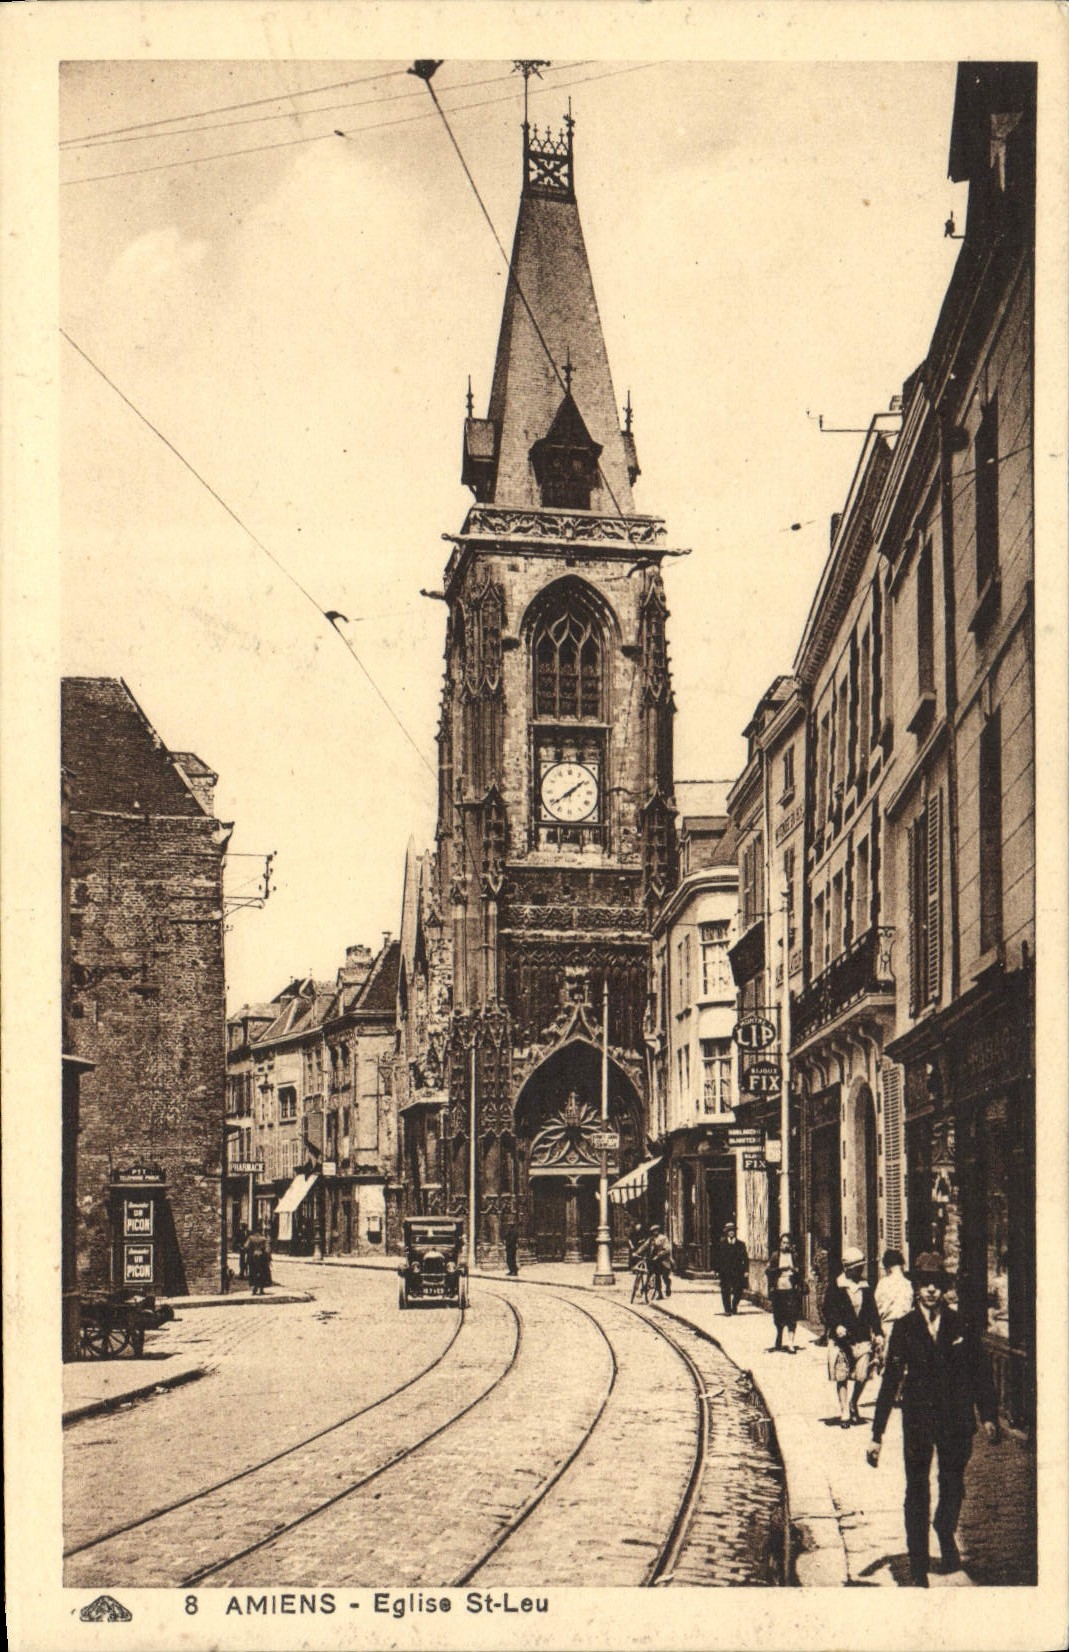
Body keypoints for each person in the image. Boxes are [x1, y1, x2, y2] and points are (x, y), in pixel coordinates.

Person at [867, 1252, 999, 1587]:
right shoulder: (906, 1328)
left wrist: (988, 1415)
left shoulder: (960, 1325)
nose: (929, 1291)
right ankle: (917, 1562)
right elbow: (890, 1380)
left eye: (935, 1285)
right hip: (919, 1419)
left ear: (943, 1289)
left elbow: (980, 1371)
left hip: (956, 1419)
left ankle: (943, 1525)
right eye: (924, 1284)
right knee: (917, 1488)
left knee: (953, 1482)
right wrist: (876, 1434)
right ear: (916, 1288)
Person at [822, 1245, 882, 1427]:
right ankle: (844, 1412)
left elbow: (872, 1312)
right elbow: (828, 1310)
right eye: (857, 1267)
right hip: (840, 1340)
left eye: (861, 1267)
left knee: (862, 1375)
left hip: (861, 1337)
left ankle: (853, 1401)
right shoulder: (836, 1286)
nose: (860, 1270)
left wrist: (878, 1332)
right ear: (848, 1268)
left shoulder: (865, 1287)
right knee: (842, 1375)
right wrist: (836, 1325)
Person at [767, 1234, 801, 1352]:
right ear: (780, 1243)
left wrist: (794, 1270)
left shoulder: (794, 1256)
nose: (785, 1245)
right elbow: (769, 1272)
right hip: (778, 1289)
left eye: (787, 1243)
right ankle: (779, 1337)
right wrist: (780, 1269)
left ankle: (791, 1342)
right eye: (783, 1242)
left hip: (791, 1289)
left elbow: (799, 1271)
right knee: (779, 1316)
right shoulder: (775, 1256)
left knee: (791, 1316)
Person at [874, 1247, 914, 1347]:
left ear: (888, 1267)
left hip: (887, 1329)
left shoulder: (883, 1283)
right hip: (906, 1330)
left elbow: (875, 1309)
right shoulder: (908, 1284)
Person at [716, 1222, 748, 1315]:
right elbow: (718, 1258)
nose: (731, 1232)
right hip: (725, 1271)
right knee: (725, 1290)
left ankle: (734, 1305)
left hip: (737, 1271)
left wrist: (746, 1270)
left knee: (738, 1290)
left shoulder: (740, 1244)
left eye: (732, 1230)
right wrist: (717, 1270)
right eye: (729, 1231)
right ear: (726, 1232)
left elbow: (745, 1258)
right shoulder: (722, 1244)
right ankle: (727, 1309)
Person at [645, 1225, 673, 1299]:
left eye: (656, 1230)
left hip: (664, 1261)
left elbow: (667, 1249)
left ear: (658, 1230)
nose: (655, 1232)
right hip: (655, 1262)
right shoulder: (651, 1239)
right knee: (657, 1277)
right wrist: (636, 1253)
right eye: (653, 1231)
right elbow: (644, 1246)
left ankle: (668, 1286)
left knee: (665, 1277)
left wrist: (658, 1256)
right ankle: (660, 1293)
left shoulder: (663, 1238)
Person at [244, 1228, 270, 1295]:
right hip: (262, 1258)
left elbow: (245, 1246)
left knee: (253, 1272)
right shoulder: (264, 1239)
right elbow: (267, 1250)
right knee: (262, 1272)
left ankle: (254, 1289)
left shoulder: (251, 1238)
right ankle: (261, 1289)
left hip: (253, 1257)